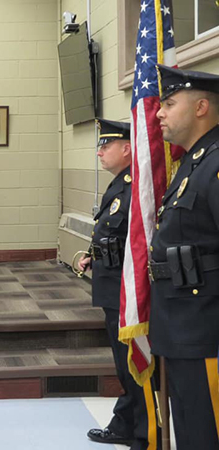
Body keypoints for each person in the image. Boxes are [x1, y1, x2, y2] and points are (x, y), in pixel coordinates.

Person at [147, 65, 219, 449]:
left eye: (170, 103)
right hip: (180, 324)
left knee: (207, 430)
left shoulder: (215, 163)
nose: (159, 113)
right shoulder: (192, 163)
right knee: (190, 428)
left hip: (206, 330)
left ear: (201, 107)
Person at [79, 119, 159, 450]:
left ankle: (142, 430)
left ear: (127, 148)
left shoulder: (136, 188)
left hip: (128, 290)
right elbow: (114, 235)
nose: (100, 151)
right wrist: (92, 254)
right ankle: (128, 422)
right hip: (112, 283)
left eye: (106, 145)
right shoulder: (118, 185)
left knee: (133, 362)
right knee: (122, 361)